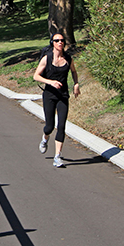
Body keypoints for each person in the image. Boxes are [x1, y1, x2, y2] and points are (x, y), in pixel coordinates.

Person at [33, 33, 80, 168]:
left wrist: (76, 84)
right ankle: (44, 138)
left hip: (63, 96)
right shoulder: (46, 59)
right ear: (52, 43)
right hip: (49, 95)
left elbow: (74, 71)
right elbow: (36, 76)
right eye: (57, 40)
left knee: (61, 126)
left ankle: (57, 157)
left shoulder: (68, 59)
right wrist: (50, 82)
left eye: (62, 40)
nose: (60, 42)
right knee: (49, 126)